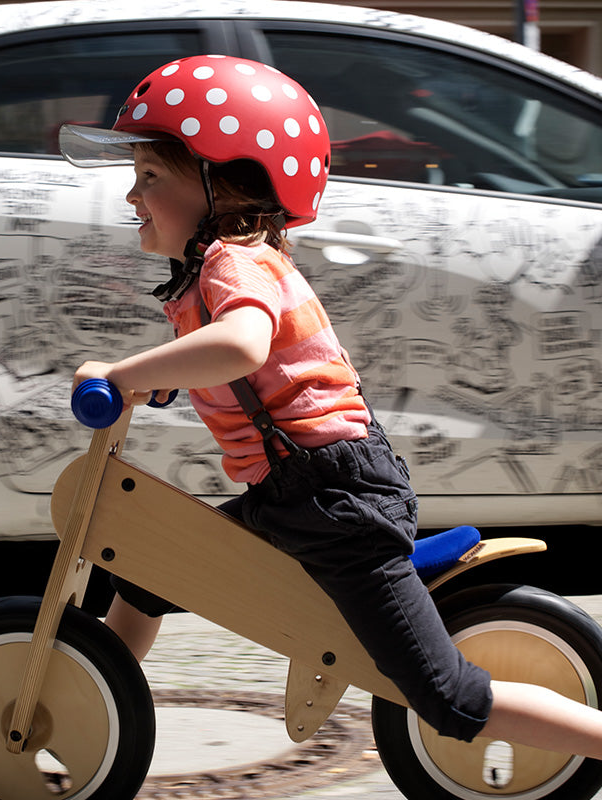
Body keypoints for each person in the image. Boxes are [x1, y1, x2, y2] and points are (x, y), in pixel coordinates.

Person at [60, 55, 602, 757]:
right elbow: (247, 366)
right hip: (299, 497)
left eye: (151, 176)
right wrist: (160, 381)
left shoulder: (234, 260)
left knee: (449, 698)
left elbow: (243, 346)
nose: (133, 195)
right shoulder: (220, 269)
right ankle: (86, 714)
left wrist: (123, 373)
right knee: (148, 570)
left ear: (224, 183)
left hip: (335, 505)